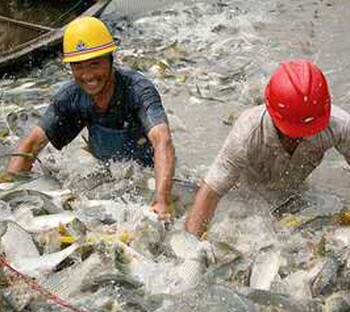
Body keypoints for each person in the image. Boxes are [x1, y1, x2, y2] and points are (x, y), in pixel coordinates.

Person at [3, 16, 175, 219]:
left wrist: (162, 200)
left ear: (111, 59)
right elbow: (30, 146)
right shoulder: (70, 96)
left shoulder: (138, 90)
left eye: (94, 64)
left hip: (145, 173)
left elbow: (162, 140)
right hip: (106, 170)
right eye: (78, 67)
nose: (87, 75)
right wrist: (7, 195)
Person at [186, 58, 350, 235]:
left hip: (294, 192)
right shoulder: (247, 133)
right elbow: (211, 192)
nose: (300, 137)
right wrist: (193, 246)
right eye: (294, 131)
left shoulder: (339, 126)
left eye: (308, 130)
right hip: (244, 194)